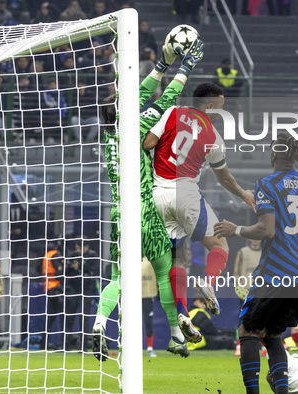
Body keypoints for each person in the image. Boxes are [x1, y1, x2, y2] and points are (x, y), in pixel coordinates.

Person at [91, 32, 205, 361]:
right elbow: (165, 99)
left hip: (119, 213)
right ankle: (176, 332)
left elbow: (140, 95)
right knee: (165, 269)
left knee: (118, 276)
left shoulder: (109, 136)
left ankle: (99, 326)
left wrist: (161, 63)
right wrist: (185, 65)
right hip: (147, 211)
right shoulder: (137, 129)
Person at [214, 134, 298, 394]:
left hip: (275, 270)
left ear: (273, 154)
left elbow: (266, 230)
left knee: (248, 329)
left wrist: (236, 229)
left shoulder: (267, 184)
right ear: (295, 155)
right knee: (273, 335)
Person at [143, 82, 255, 326]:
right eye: (220, 108)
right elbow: (224, 177)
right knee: (219, 244)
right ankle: (208, 282)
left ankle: (183, 314)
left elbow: (148, 143)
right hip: (185, 192)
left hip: (157, 195)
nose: (220, 113)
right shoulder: (213, 137)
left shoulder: (172, 112)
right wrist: (243, 194)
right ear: (211, 105)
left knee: (177, 258)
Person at [233, 239, 262, 356]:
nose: (256, 240)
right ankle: (239, 345)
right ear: (250, 239)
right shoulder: (242, 252)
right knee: (243, 317)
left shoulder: (265, 252)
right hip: (245, 291)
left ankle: (262, 345)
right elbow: (236, 272)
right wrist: (240, 287)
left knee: (262, 317)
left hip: (261, 290)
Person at [41, 245, 65, 350]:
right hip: (56, 287)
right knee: (63, 317)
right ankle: (64, 344)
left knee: (50, 318)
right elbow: (59, 272)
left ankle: (43, 343)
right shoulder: (55, 255)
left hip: (48, 287)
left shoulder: (47, 256)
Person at [142, 256, 158, 357]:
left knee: (148, 321)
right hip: (132, 296)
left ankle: (150, 348)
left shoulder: (151, 260)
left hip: (147, 296)